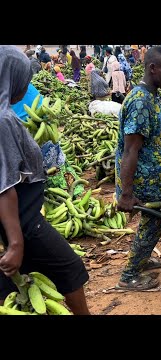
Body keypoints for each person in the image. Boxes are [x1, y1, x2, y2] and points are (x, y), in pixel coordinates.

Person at [0, 45, 90, 314]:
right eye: (23, 78)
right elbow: (4, 186)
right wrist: (16, 242)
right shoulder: (4, 120)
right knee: (70, 268)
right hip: (23, 220)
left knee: (13, 283)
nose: (26, 85)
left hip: (15, 219)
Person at [115, 46, 161, 291]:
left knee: (152, 224)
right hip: (144, 180)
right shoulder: (141, 102)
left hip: (154, 175)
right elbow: (131, 150)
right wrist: (126, 193)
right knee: (153, 223)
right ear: (153, 69)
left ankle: (142, 257)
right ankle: (129, 276)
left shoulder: (152, 95)